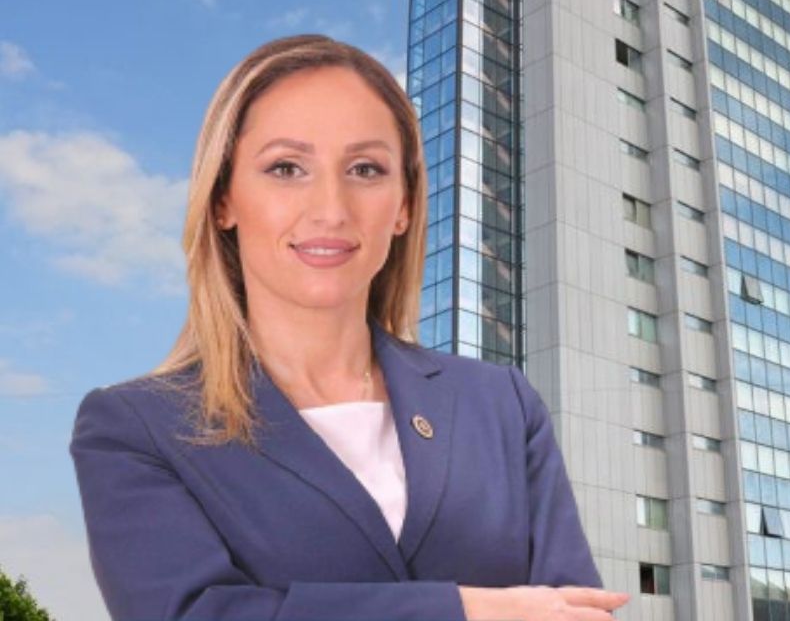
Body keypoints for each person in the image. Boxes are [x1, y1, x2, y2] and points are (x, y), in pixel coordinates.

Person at [69, 35, 630, 621]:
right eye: (286, 168)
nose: (331, 209)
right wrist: (467, 610)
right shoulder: (137, 429)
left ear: (404, 205)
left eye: (365, 169)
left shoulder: (502, 406)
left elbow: (577, 612)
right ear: (222, 200)